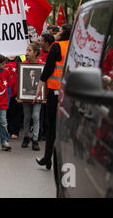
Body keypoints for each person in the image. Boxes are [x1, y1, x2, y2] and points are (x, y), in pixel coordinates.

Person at [34, 24, 72, 169]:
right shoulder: (76, 47)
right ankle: (66, 161)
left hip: (56, 94)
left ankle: (48, 158)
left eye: (60, 31)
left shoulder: (56, 47)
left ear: (64, 33)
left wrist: (38, 89)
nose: (56, 33)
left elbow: (48, 69)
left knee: (52, 128)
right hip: (72, 94)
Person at [17, 42, 44, 151]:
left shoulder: (42, 64)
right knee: (27, 117)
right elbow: (19, 80)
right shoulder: (23, 64)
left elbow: (46, 81)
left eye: (29, 50)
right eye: (27, 50)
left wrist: (44, 97)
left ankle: (35, 139)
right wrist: (19, 95)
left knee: (36, 116)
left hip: (38, 97)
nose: (27, 52)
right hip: (26, 97)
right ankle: (26, 137)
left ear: (36, 52)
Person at [5, 56, 22, 139]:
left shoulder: (19, 59)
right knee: (7, 111)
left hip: (17, 89)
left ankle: (15, 131)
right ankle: (7, 130)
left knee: (17, 110)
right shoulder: (3, 58)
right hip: (5, 89)